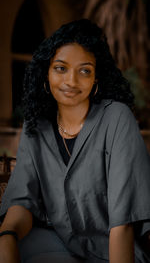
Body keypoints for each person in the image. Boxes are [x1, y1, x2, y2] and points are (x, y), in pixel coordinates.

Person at [0, 19, 150, 263]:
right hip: (58, 241)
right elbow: (22, 198)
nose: (71, 81)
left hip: (109, 251)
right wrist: (6, 237)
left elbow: (122, 223)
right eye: (60, 68)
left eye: (84, 70)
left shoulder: (117, 118)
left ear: (96, 79)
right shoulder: (36, 124)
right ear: (46, 73)